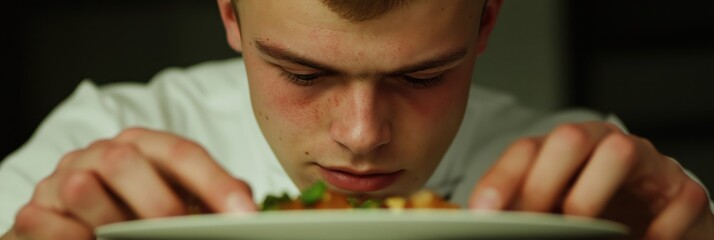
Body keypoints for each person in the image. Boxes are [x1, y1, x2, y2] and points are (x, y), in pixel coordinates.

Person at [0, 0, 712, 239]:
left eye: (422, 75)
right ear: (230, 16)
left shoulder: (591, 189)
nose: (363, 135)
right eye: (303, 74)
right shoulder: (98, 145)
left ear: (487, 21)